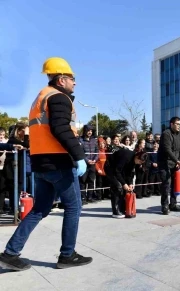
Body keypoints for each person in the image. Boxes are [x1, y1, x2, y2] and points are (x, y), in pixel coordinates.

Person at [0, 57, 91, 271]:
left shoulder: (40, 98)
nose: (74, 82)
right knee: (74, 207)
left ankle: (11, 253)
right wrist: (78, 155)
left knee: (40, 208)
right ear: (61, 80)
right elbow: (61, 129)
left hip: (40, 163)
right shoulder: (59, 98)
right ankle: (67, 255)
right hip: (58, 162)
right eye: (71, 78)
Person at [158, 116, 180, 214]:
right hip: (164, 162)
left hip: (175, 163)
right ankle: (164, 205)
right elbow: (167, 149)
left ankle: (173, 204)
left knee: (175, 184)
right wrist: (177, 160)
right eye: (177, 124)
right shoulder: (166, 134)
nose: (179, 126)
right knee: (166, 184)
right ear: (172, 124)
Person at [105, 147, 136, 218]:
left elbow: (130, 173)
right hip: (110, 167)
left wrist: (130, 183)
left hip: (120, 170)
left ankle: (122, 209)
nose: (139, 163)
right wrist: (124, 183)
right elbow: (117, 171)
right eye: (139, 161)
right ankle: (115, 211)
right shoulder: (126, 157)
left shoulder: (134, 159)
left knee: (125, 188)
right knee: (118, 187)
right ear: (137, 157)